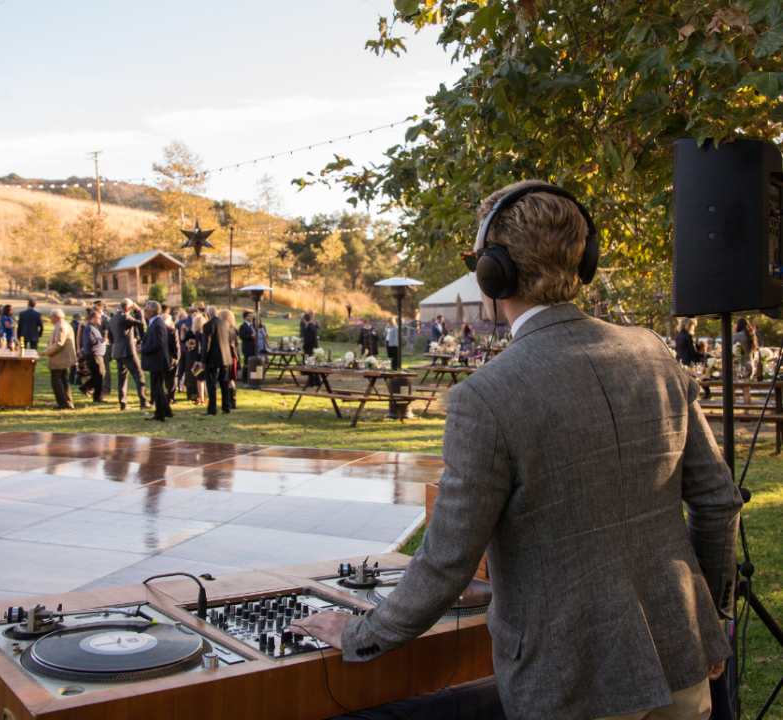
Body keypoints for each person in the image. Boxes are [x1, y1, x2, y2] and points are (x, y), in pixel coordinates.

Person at [293, 180, 742, 720]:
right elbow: (718, 502)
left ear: (493, 272)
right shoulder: (654, 352)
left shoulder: (484, 396)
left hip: (569, 683)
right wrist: (710, 620)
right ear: (585, 262)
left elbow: (445, 561)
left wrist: (361, 632)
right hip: (682, 658)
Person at [108, 299, 149, 411]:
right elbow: (142, 323)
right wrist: (138, 310)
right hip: (128, 351)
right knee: (139, 375)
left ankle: (123, 403)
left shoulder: (112, 319)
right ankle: (143, 401)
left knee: (122, 378)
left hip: (117, 351)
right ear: (128, 308)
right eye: (131, 307)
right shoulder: (125, 317)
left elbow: (110, 337)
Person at [140, 300, 172, 422]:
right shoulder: (155, 322)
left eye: (146, 310)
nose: (145, 312)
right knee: (157, 387)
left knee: (156, 388)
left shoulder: (157, 324)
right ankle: (167, 410)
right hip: (156, 361)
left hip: (157, 361)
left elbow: (157, 344)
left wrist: (143, 350)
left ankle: (160, 413)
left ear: (152, 312)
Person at [39, 308, 76, 410]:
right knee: (64, 380)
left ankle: (63, 403)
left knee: (57, 380)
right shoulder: (62, 324)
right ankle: (68, 402)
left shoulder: (61, 326)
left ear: (57, 317)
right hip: (62, 359)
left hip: (60, 359)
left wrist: (46, 352)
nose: (50, 319)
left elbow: (59, 343)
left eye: (51, 317)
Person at [198, 305, 232, 415]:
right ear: (217, 314)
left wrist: (203, 361)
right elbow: (229, 339)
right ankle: (226, 406)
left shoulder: (207, 325)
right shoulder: (226, 323)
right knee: (224, 383)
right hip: (226, 357)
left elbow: (205, 345)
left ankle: (212, 408)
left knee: (211, 384)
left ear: (207, 315)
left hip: (212, 358)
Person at [78, 308, 107, 403]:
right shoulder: (89, 328)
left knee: (98, 375)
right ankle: (97, 397)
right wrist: (102, 340)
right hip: (93, 355)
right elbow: (91, 341)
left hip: (96, 355)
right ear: (93, 318)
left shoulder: (93, 328)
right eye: (99, 318)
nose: (101, 320)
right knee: (100, 374)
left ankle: (85, 387)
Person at [220, 309, 241, 409]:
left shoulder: (227, 329)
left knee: (228, 379)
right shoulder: (233, 329)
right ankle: (232, 402)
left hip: (229, 356)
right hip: (233, 357)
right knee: (230, 379)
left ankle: (230, 401)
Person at [187, 314, 207, 405]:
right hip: (206, 357)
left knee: (199, 379)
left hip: (199, 358)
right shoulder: (205, 332)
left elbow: (198, 348)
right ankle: (203, 397)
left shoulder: (198, 334)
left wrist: (196, 360)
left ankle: (201, 398)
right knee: (204, 379)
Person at [163, 311, 181, 404]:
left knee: (159, 380)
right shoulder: (173, 331)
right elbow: (176, 347)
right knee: (172, 379)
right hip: (171, 358)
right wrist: (177, 358)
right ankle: (171, 397)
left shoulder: (157, 330)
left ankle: (159, 397)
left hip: (160, 358)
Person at [302, 309, 320, 387]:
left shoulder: (309, 327)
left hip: (310, 348)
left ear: (304, 320)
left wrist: (304, 347)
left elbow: (308, 340)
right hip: (314, 347)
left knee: (310, 364)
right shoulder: (312, 326)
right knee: (313, 364)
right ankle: (317, 380)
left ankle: (311, 381)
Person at [238, 310, 256, 384]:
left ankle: (250, 376)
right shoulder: (243, 326)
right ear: (245, 317)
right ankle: (244, 378)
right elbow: (241, 336)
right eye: (249, 316)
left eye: (250, 316)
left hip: (252, 347)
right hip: (247, 347)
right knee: (247, 363)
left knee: (252, 362)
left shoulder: (251, 326)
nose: (250, 317)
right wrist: (250, 336)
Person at [68, 312, 83, 386]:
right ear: (79, 318)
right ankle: (78, 380)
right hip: (78, 346)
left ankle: (71, 379)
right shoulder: (79, 325)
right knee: (79, 363)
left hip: (70, 346)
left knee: (72, 364)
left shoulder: (69, 325)